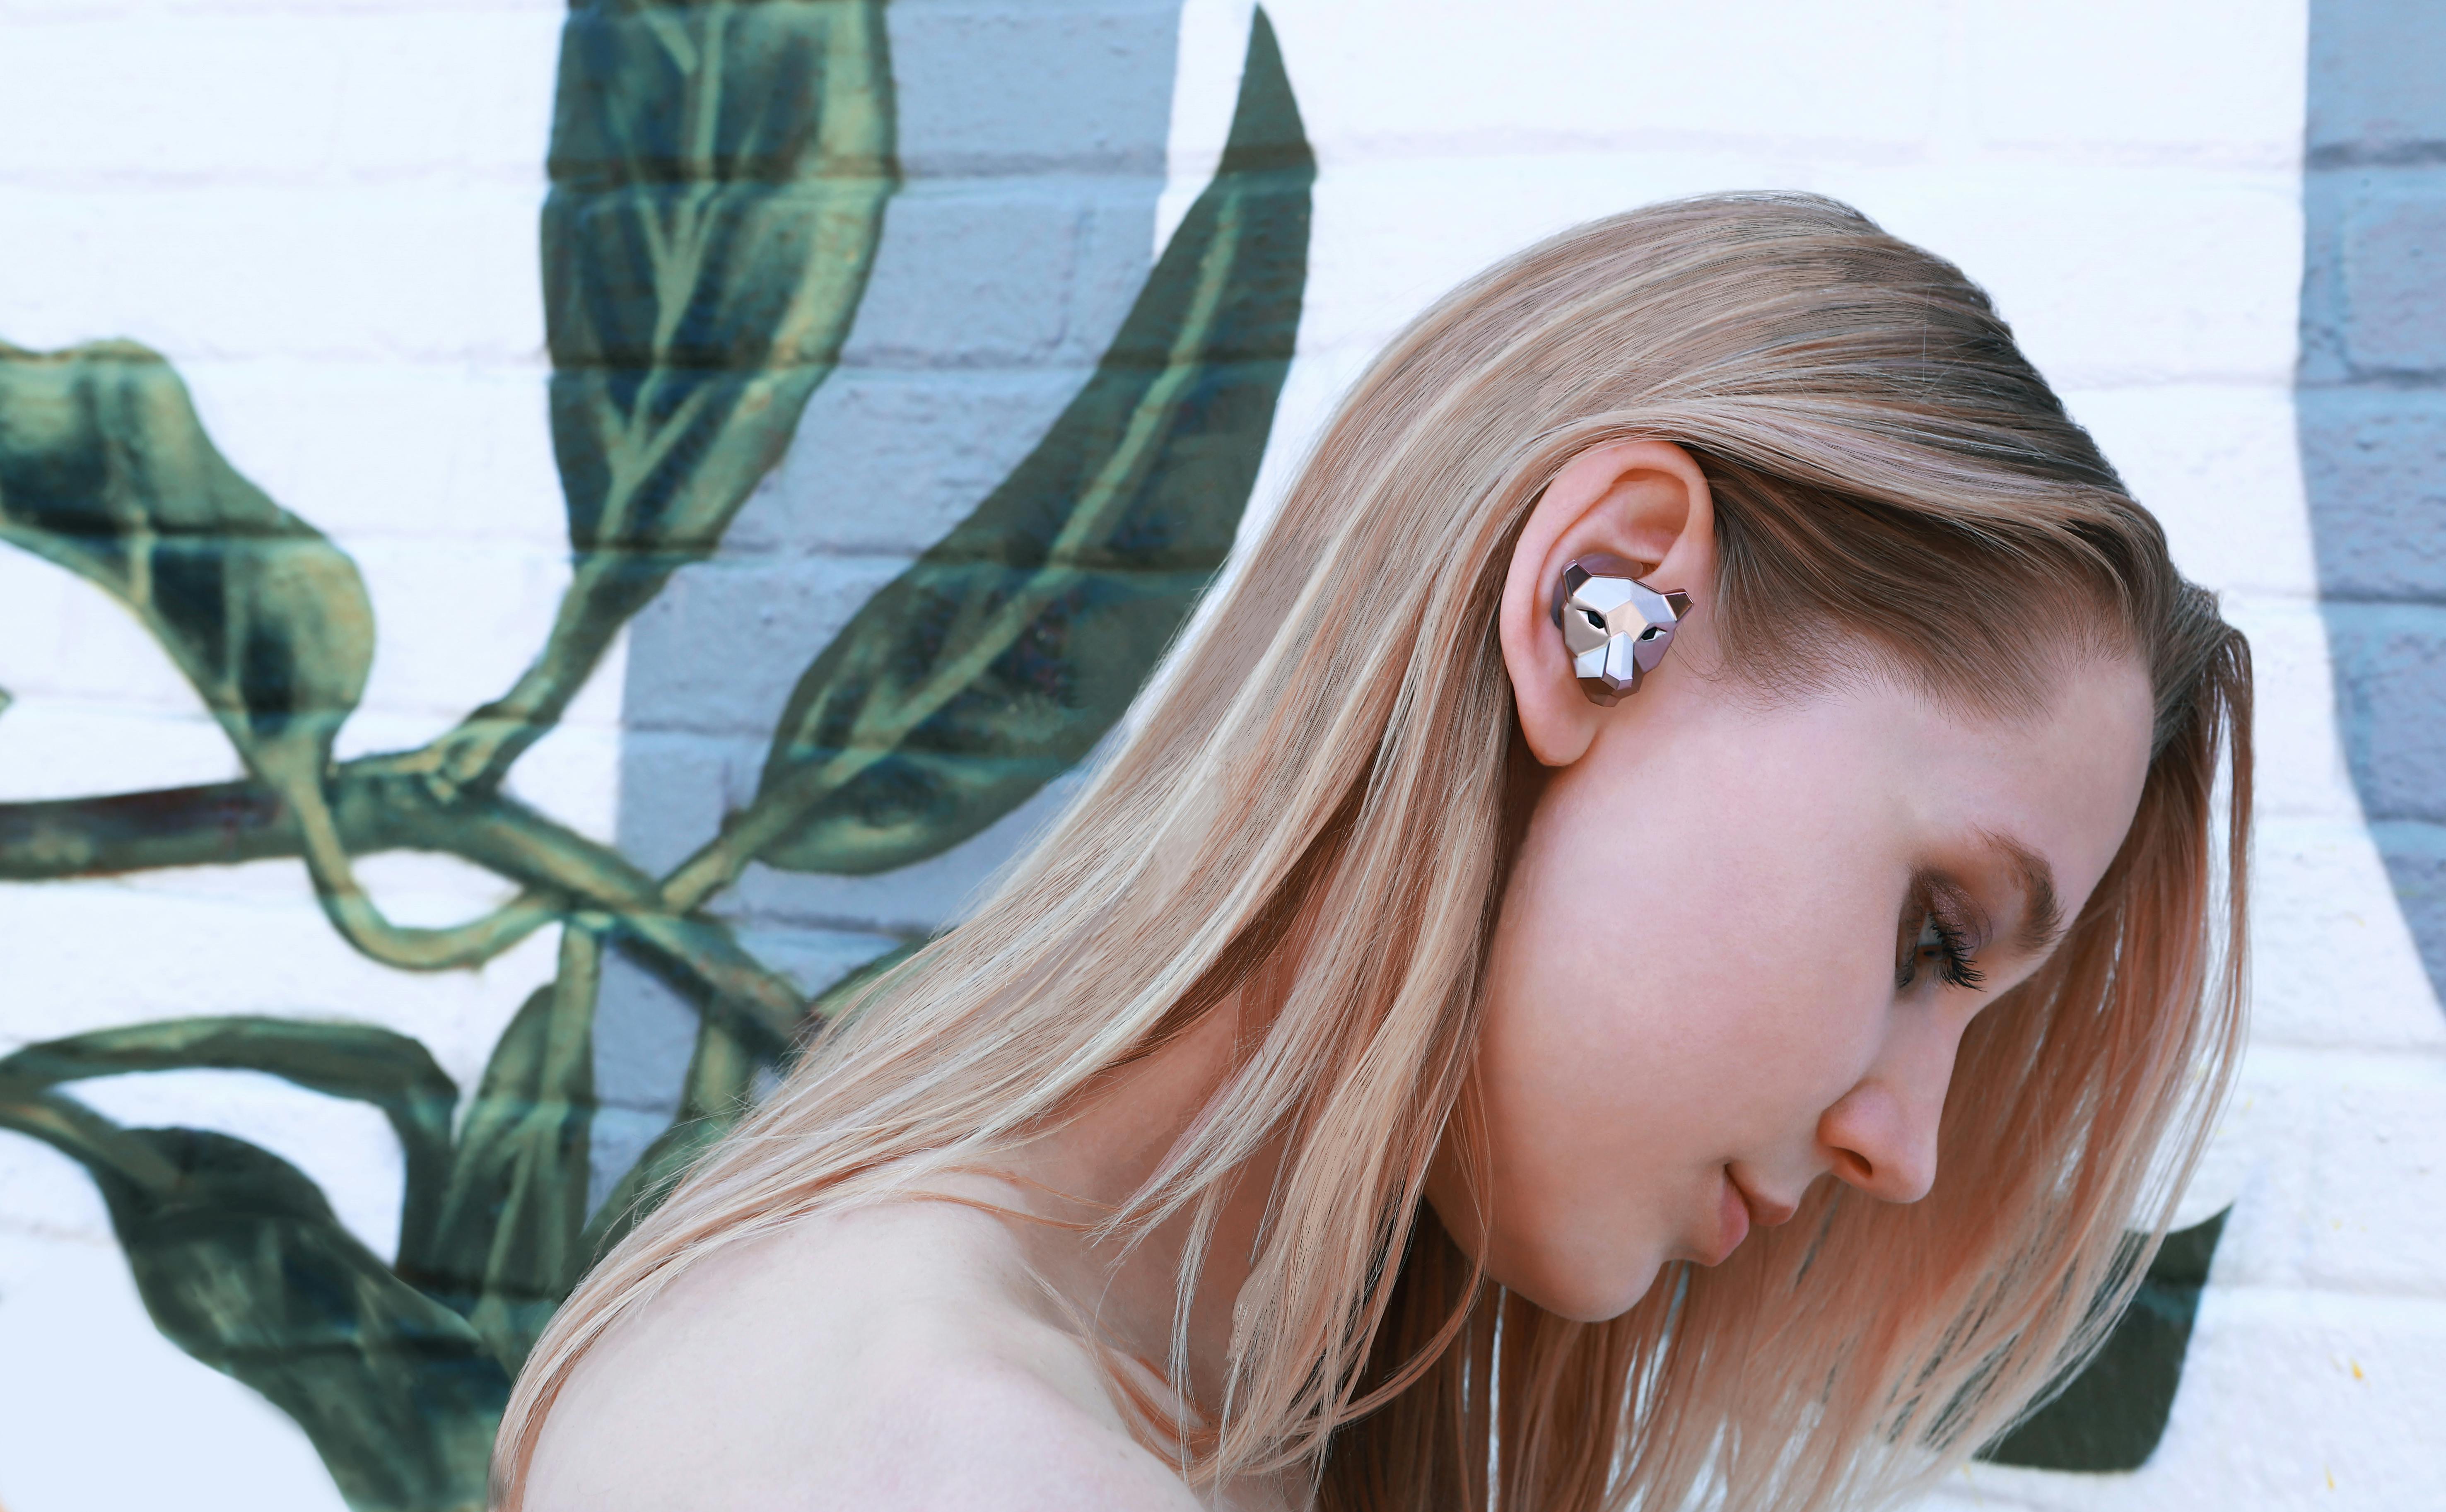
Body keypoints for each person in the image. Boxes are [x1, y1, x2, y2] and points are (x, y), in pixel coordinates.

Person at [498, 192, 2252, 1512]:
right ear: (1604, 609)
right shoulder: (946, 1457)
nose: (1906, 1148)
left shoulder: (1156, 1403)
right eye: (1932, 937)